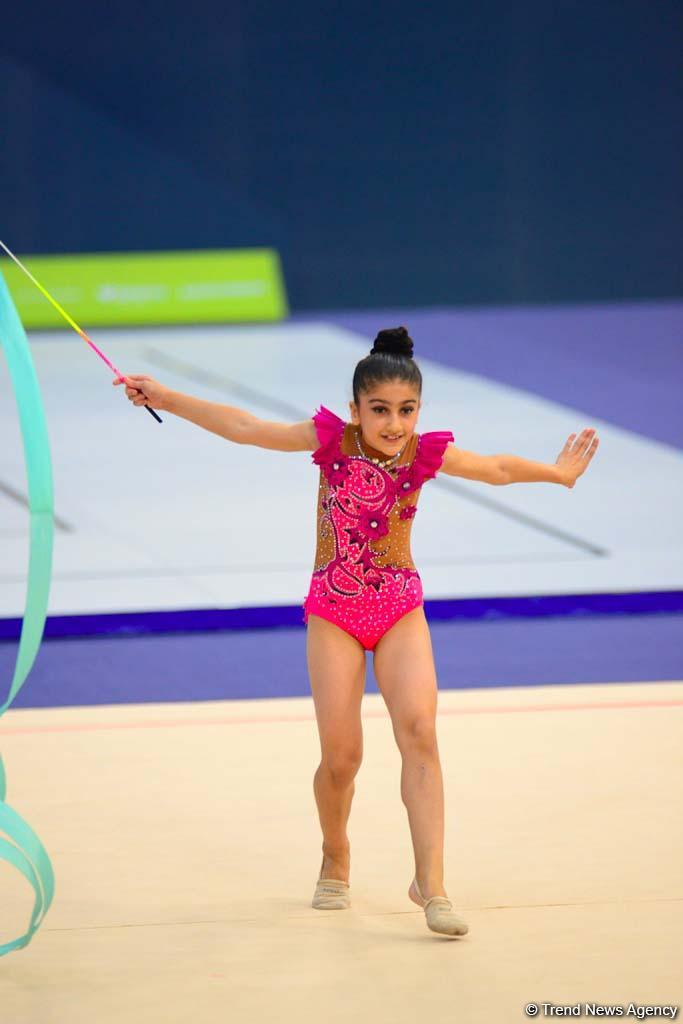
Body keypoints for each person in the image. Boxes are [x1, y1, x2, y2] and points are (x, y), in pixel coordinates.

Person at [113, 325, 599, 937]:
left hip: (398, 605)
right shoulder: (331, 442)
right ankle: (335, 851)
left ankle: (432, 883)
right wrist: (166, 398)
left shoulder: (425, 452)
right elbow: (245, 427)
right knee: (342, 759)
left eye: (406, 410)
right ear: (355, 410)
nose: (393, 424)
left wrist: (557, 474)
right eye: (379, 410)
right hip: (335, 611)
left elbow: (496, 468)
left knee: (420, 732)